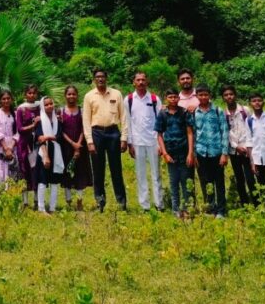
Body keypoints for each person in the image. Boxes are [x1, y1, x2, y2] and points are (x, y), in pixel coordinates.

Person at [82, 69, 129, 212]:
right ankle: (100, 202)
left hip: (113, 133)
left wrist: (124, 138)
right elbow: (86, 120)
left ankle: (121, 203)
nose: (100, 79)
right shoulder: (89, 96)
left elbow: (124, 117)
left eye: (103, 76)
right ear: (94, 79)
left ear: (107, 78)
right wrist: (89, 141)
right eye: (97, 77)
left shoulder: (116, 94)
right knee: (98, 170)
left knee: (116, 169)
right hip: (96, 134)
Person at [127, 71, 163, 212]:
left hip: (153, 141)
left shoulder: (154, 99)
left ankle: (159, 204)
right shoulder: (129, 100)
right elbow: (128, 122)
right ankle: (144, 205)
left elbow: (161, 122)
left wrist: (161, 143)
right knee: (141, 174)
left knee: (156, 174)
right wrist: (130, 143)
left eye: (143, 80)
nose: (141, 82)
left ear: (147, 82)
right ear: (134, 82)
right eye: (138, 80)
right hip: (137, 142)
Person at [155, 89, 194, 218]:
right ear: (166, 98)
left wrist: (190, 153)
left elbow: (189, 132)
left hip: (184, 152)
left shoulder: (184, 112)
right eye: (170, 97)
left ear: (178, 98)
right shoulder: (162, 114)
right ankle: (176, 210)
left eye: (175, 97)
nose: (173, 99)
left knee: (186, 181)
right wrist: (165, 153)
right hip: (170, 153)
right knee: (174, 182)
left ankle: (188, 209)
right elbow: (159, 135)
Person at [191, 85, 229, 217]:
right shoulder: (194, 113)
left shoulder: (218, 111)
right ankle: (210, 208)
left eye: (205, 95)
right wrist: (194, 154)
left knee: (219, 182)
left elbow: (224, 131)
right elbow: (194, 134)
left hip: (216, 152)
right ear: (196, 96)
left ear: (210, 96)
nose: (203, 97)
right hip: (201, 152)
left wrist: (224, 153)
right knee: (205, 182)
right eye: (200, 95)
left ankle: (221, 210)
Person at [221, 84, 256, 207]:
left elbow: (252, 128)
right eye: (226, 95)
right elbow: (225, 132)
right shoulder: (223, 113)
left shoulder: (245, 110)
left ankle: (257, 203)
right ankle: (244, 203)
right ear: (223, 98)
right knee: (239, 178)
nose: (229, 97)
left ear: (235, 95)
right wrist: (236, 146)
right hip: (234, 151)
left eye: (231, 94)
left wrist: (247, 146)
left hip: (247, 150)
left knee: (250, 177)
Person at [59, 85, 92, 209]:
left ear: (77, 96)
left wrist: (78, 144)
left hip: (81, 147)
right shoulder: (60, 111)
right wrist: (73, 144)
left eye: (73, 94)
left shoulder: (82, 110)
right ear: (65, 96)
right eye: (69, 94)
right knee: (67, 172)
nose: (71, 96)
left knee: (80, 173)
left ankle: (79, 201)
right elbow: (60, 131)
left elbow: (84, 128)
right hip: (66, 147)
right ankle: (68, 201)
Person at [35, 96, 65, 214]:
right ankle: (41, 208)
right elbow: (39, 139)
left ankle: (52, 208)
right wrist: (46, 157)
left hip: (56, 152)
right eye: (46, 105)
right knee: (42, 180)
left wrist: (47, 136)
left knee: (54, 180)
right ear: (43, 106)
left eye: (51, 104)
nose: (49, 106)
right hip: (44, 152)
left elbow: (59, 136)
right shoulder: (40, 121)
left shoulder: (57, 120)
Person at [15, 84, 42, 209]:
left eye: (34, 93)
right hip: (24, 145)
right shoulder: (21, 109)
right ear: (25, 94)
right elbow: (20, 129)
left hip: (37, 143)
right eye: (29, 93)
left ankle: (37, 200)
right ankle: (25, 201)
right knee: (24, 171)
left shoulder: (39, 106)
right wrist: (34, 125)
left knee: (36, 170)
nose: (31, 95)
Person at [0, 90, 18, 186]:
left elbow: (17, 132)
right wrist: (6, 148)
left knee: (12, 173)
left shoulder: (16, 114)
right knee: (0, 173)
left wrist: (11, 148)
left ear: (12, 99)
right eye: (3, 99)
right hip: (0, 147)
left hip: (13, 147)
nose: (6, 101)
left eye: (8, 98)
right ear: (0, 101)